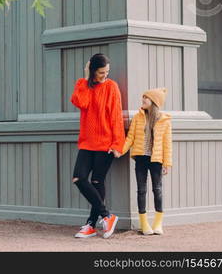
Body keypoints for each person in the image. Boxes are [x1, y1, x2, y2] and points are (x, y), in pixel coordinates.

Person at [70, 53, 125, 239]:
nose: (105, 75)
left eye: (107, 72)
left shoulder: (112, 87)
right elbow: (80, 102)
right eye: (101, 72)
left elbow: (116, 116)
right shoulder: (83, 85)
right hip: (87, 142)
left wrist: (118, 144)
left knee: (96, 182)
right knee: (79, 178)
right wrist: (86, 78)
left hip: (106, 144)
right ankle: (107, 216)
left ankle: (91, 225)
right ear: (93, 70)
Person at [121, 88, 172, 235]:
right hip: (140, 158)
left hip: (156, 160)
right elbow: (130, 137)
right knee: (141, 191)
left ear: (154, 102)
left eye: (146, 98)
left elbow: (167, 144)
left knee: (157, 190)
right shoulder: (138, 117)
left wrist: (167, 163)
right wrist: (121, 151)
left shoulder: (165, 120)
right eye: (143, 97)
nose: (143, 100)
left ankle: (157, 223)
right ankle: (144, 224)